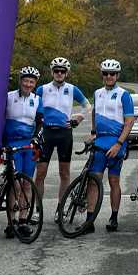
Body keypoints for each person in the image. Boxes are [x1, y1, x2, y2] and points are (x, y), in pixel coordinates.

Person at [34, 57, 90, 215]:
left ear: (66, 73)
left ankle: (61, 208)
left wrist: (77, 120)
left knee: (64, 174)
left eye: (62, 71)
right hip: (46, 133)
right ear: (52, 72)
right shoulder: (43, 89)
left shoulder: (72, 89)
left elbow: (87, 106)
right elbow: (35, 110)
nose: (59, 74)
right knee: (40, 173)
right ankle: (38, 210)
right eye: (56, 71)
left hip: (64, 133)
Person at [88, 58, 135, 233]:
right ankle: (89, 220)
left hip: (116, 141)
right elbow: (94, 112)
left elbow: (129, 122)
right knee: (93, 181)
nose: (108, 76)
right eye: (105, 73)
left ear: (117, 75)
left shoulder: (124, 94)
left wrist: (119, 144)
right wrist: (93, 132)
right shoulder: (97, 93)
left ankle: (114, 218)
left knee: (113, 180)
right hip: (100, 141)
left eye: (112, 74)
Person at [2, 66, 41, 238]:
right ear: (20, 80)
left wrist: (35, 140)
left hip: (28, 146)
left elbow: (40, 123)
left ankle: (23, 220)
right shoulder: (9, 97)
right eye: (26, 80)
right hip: (12, 144)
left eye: (32, 82)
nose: (28, 84)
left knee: (27, 183)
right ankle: (11, 221)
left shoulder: (37, 99)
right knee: (15, 184)